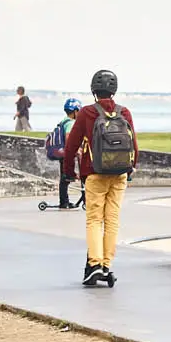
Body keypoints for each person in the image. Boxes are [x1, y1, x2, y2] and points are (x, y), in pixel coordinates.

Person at [65, 69, 138, 286]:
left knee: (94, 220)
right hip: (119, 174)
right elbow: (134, 145)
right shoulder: (124, 112)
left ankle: (95, 264)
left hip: (95, 173)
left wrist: (69, 172)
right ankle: (107, 265)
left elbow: (71, 147)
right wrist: (130, 167)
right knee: (112, 220)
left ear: (94, 90)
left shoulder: (87, 112)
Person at [45, 98, 82, 210]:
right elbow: (68, 138)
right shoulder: (71, 123)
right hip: (67, 154)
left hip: (62, 153)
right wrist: (77, 150)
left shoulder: (63, 121)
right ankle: (64, 202)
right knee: (66, 178)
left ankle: (64, 201)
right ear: (75, 111)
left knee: (64, 178)